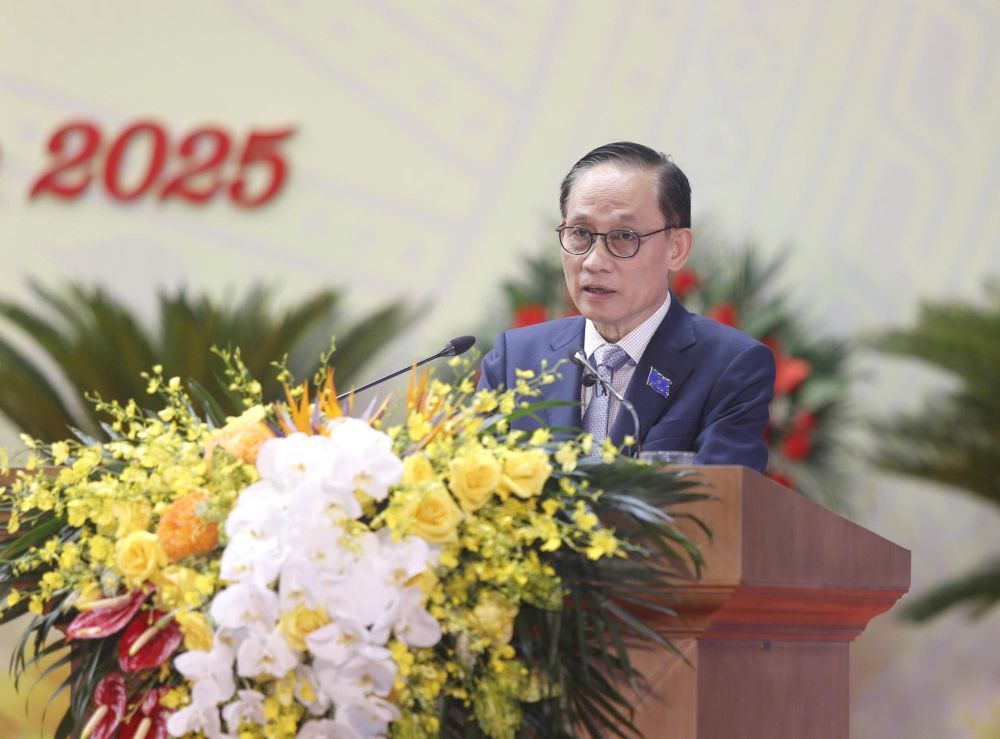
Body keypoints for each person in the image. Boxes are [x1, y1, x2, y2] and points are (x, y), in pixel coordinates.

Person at [478, 142, 775, 471]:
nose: (594, 262)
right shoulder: (515, 360)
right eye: (580, 233)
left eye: (623, 237)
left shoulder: (729, 366)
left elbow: (722, 498)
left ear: (676, 248)